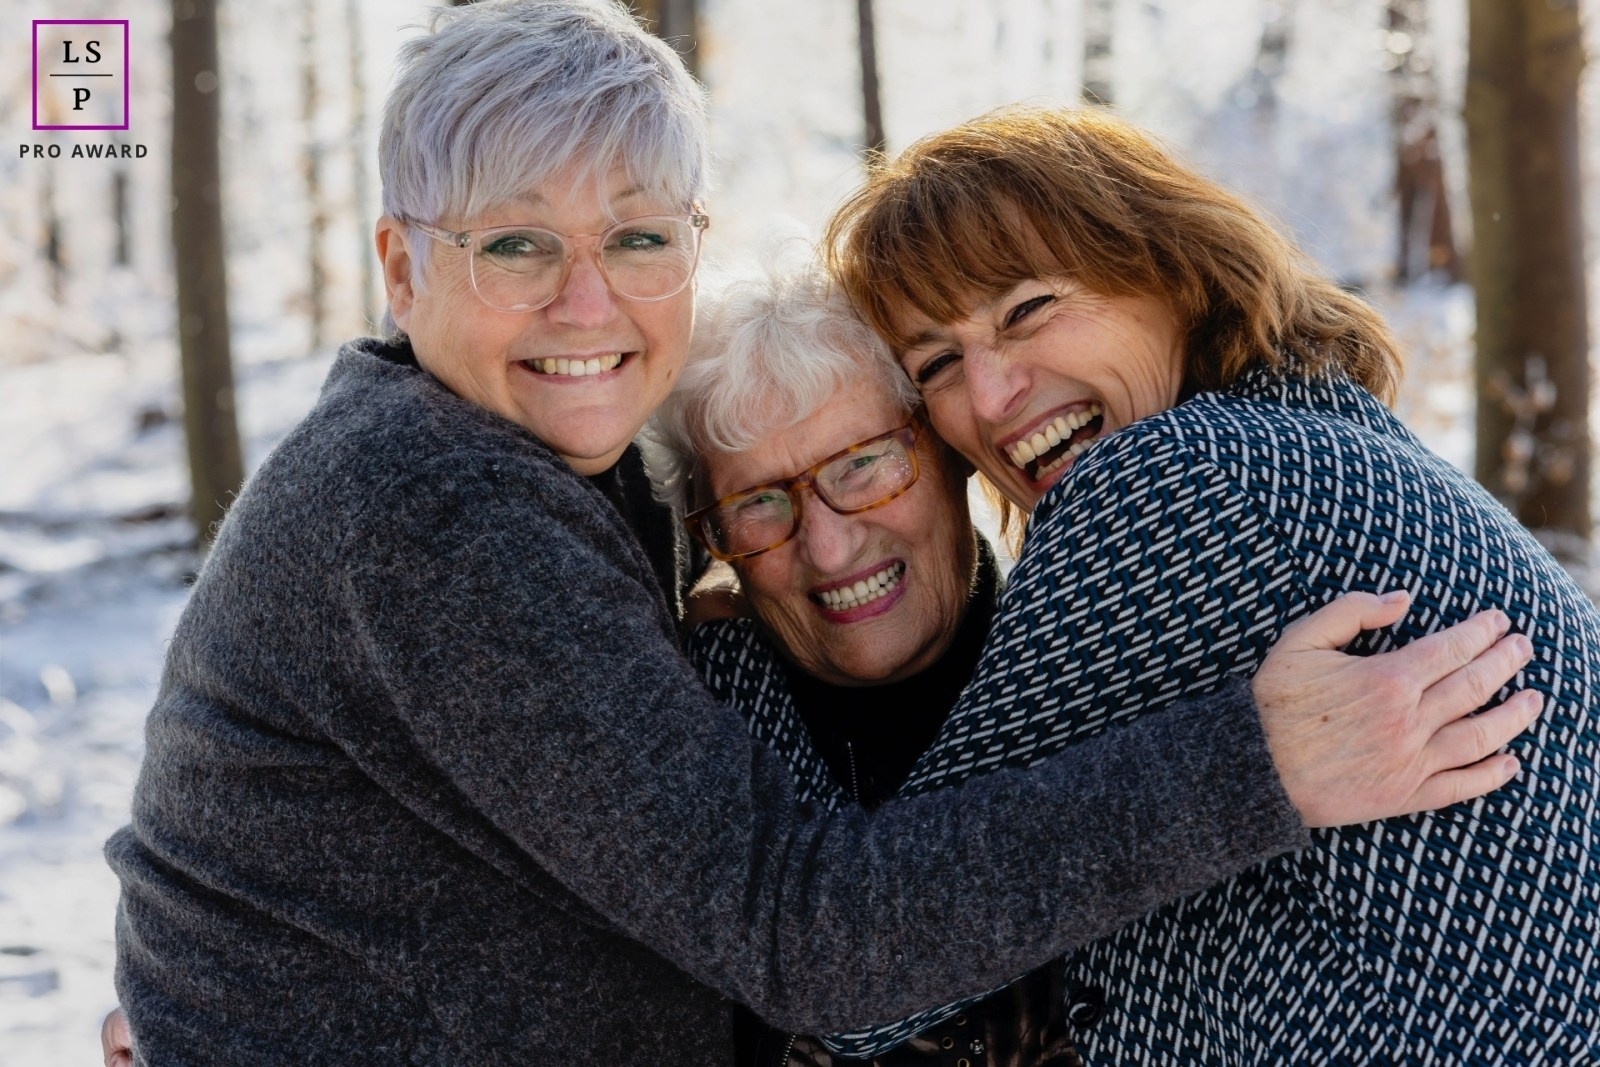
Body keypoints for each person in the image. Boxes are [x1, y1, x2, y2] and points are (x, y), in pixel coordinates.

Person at [100, 4, 1536, 1063]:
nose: (587, 303)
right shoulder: (449, 509)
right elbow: (813, 936)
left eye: (641, 239)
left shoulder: (1117, 597)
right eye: (516, 243)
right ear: (404, 265)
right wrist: (1261, 761)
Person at [825, 104, 1597, 1064]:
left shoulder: (1174, 480)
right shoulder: (1315, 443)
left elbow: (861, 963)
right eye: (937, 364)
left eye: (1027, 310)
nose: (988, 398)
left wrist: (720, 644)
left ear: (1170, 270)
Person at [647, 261, 1072, 1065]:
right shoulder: (691, 733)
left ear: (949, 449)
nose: (830, 543)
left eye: (862, 463)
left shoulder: (1087, 667)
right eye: (758, 502)